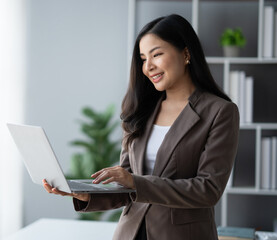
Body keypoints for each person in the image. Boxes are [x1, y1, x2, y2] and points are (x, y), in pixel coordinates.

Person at [42, 14, 239, 240]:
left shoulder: (220, 112)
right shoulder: (141, 110)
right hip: (131, 233)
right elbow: (126, 189)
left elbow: (208, 190)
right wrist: (85, 195)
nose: (148, 67)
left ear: (186, 53)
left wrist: (135, 181)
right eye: (143, 58)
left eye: (157, 55)